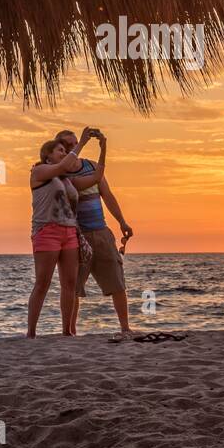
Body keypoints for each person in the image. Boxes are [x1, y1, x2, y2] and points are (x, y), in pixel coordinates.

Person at [56, 128, 134, 338]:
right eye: (68, 145)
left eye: (75, 144)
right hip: (77, 236)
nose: (73, 148)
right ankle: (70, 331)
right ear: (59, 150)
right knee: (74, 287)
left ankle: (125, 327)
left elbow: (107, 195)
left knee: (117, 282)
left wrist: (122, 221)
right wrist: (82, 142)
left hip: (101, 232)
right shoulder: (60, 173)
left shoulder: (90, 165)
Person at [26, 137, 104, 337]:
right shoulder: (39, 172)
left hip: (69, 232)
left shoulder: (66, 179)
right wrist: (83, 142)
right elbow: (63, 164)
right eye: (60, 150)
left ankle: (67, 331)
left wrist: (103, 149)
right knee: (42, 283)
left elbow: (96, 177)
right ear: (48, 155)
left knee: (69, 284)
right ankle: (31, 333)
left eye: (64, 150)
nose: (64, 152)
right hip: (47, 231)